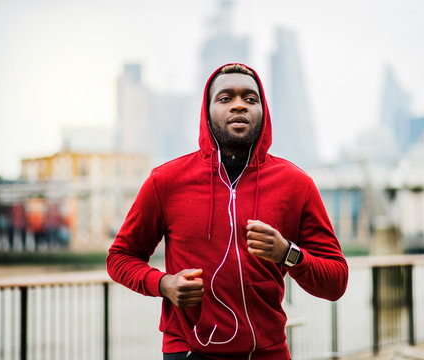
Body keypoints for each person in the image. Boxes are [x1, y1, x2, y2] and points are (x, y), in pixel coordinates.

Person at [107, 63, 348, 360]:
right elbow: (119, 257)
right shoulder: (166, 181)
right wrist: (164, 284)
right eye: (225, 98)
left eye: (250, 99)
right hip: (189, 351)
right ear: (206, 112)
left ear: (263, 111)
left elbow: (336, 281)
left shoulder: (296, 184)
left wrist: (287, 252)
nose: (238, 105)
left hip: (268, 353)